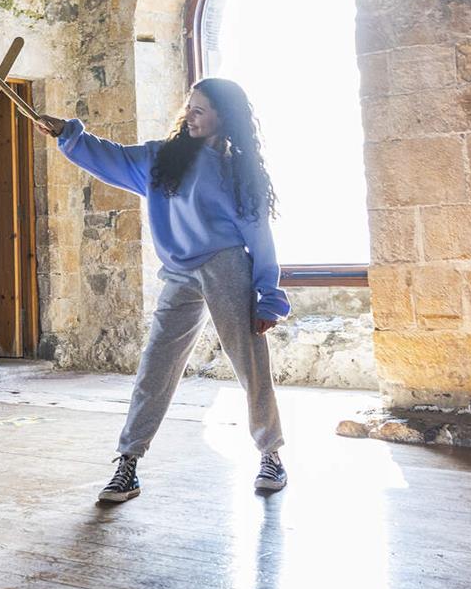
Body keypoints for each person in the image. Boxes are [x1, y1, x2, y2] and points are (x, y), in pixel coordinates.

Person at [30, 79, 291, 502]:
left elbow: (260, 240)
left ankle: (271, 455)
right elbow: (112, 157)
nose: (191, 115)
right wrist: (68, 133)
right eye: (189, 107)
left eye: (201, 110)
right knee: (156, 366)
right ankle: (128, 464)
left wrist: (269, 296)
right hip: (178, 272)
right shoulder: (161, 159)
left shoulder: (238, 171)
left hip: (225, 266)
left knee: (250, 365)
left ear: (224, 117)